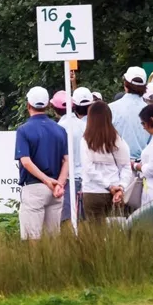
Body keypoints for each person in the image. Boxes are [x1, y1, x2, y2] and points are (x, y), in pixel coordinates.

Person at [15, 86, 68, 240]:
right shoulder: (60, 130)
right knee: (53, 239)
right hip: (56, 189)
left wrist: (46, 180)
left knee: (33, 239)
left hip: (34, 186)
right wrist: (59, 183)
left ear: (28, 105)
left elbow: (26, 161)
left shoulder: (23, 130)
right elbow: (66, 160)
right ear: (48, 105)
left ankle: (37, 265)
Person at [80, 101, 130, 220]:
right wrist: (120, 187)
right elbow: (126, 166)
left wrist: (108, 186)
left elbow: (88, 168)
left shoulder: (86, 141)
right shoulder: (117, 140)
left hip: (93, 192)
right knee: (116, 232)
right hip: (115, 193)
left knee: (95, 235)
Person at [58, 87, 93, 223]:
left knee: (68, 220)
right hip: (89, 179)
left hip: (69, 178)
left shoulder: (64, 125)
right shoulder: (96, 126)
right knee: (86, 221)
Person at [109, 66, 150, 161]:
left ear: (125, 84)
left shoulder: (111, 108)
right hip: (144, 165)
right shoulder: (150, 111)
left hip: (118, 165)